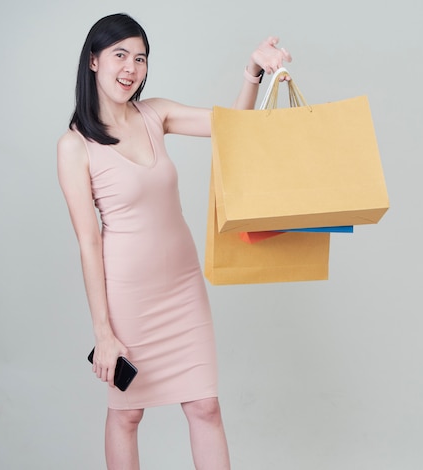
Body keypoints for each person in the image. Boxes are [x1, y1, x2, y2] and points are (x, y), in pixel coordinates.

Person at [57, 13, 291, 470]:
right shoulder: (74, 146)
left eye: (140, 58)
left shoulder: (155, 113)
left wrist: (253, 72)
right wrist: (104, 334)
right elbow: (89, 243)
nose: (131, 68)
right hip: (128, 296)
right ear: (93, 61)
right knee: (127, 414)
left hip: (182, 287)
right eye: (120, 55)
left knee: (205, 406)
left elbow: (233, 126)